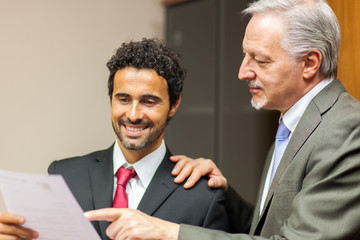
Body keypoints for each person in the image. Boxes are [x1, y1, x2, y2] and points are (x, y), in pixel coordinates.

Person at [84, 0, 360, 239]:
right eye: (244, 55)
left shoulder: (346, 129)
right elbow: (270, 228)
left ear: (310, 63)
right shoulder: (293, 125)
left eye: (260, 60)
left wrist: (169, 232)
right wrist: (224, 194)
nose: (243, 72)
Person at [0, 38, 238, 240]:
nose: (133, 115)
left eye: (149, 101)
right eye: (123, 99)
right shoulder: (64, 175)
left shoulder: (203, 197)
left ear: (174, 105)